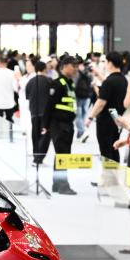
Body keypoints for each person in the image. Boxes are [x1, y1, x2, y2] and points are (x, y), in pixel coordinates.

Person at [42, 56, 80, 195]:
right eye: (73, 66)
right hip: (58, 124)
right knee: (63, 155)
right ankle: (63, 185)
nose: (76, 69)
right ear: (64, 67)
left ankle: (57, 184)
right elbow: (49, 105)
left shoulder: (70, 84)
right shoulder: (57, 84)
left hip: (67, 124)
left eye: (76, 66)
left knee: (62, 155)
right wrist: (45, 125)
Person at [86, 51, 128, 166]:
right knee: (114, 147)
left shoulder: (109, 81)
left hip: (105, 120)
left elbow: (101, 102)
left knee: (105, 150)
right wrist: (98, 75)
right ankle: (116, 173)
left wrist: (90, 117)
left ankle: (108, 175)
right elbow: (109, 86)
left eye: (105, 62)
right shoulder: (123, 80)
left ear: (110, 63)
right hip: (116, 118)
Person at [25, 59, 54, 165]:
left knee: (35, 135)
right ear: (45, 69)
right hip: (46, 113)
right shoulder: (49, 81)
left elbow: (27, 97)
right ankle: (39, 158)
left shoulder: (30, 81)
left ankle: (36, 157)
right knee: (45, 135)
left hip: (34, 112)